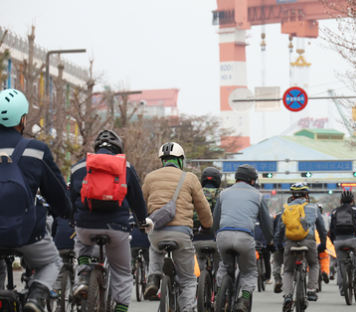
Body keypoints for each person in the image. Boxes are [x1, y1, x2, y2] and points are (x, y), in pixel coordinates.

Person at [0, 88, 72, 312]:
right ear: (22, 118)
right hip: (26, 232)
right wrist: (68, 212)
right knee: (52, 262)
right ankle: (35, 297)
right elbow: (59, 198)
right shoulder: (36, 150)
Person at [70, 129, 150, 312]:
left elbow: (71, 199)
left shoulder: (78, 167)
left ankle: (83, 275)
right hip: (117, 227)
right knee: (122, 272)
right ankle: (120, 309)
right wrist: (142, 222)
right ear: (119, 149)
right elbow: (137, 202)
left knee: (82, 245)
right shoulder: (126, 167)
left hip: (85, 225)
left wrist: (72, 219)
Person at [142, 142, 212, 311]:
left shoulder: (150, 177)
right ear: (180, 160)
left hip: (156, 231)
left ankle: (153, 277)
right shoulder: (190, 178)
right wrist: (207, 225)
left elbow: (142, 204)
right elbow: (202, 207)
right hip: (181, 232)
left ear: (162, 160)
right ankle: (187, 309)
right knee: (188, 279)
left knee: (154, 247)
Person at [212, 164, 273, 312]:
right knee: (249, 271)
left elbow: (215, 219)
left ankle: (219, 295)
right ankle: (244, 298)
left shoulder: (224, 193)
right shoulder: (258, 196)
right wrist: (270, 240)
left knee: (223, 267)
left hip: (223, 235)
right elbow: (266, 223)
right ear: (252, 180)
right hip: (244, 237)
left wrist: (216, 236)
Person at [275, 182, 326, 310]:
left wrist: (279, 245)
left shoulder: (285, 208)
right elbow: (321, 229)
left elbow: (280, 230)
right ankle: (311, 290)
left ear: (292, 195)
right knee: (314, 264)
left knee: (288, 270)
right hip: (308, 241)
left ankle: (287, 296)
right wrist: (323, 244)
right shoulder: (313, 208)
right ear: (306, 194)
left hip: (290, 241)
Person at [329, 190, 356, 295]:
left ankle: (342, 287)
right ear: (352, 200)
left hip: (338, 241)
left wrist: (333, 241)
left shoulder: (335, 211)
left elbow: (331, 230)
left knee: (340, 263)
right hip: (353, 239)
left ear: (340, 201)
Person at [193, 167, 221, 274]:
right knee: (220, 264)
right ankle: (220, 286)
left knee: (198, 259)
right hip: (216, 239)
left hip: (196, 238)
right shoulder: (222, 194)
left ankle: (199, 281)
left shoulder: (195, 193)